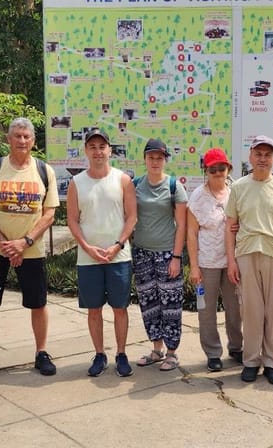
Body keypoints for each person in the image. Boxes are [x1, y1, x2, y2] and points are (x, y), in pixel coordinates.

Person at [0, 117, 60, 376]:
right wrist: (5, 243)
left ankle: (41, 352)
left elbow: (49, 213)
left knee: (38, 303)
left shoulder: (44, 170)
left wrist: (24, 242)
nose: (22, 141)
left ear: (33, 141)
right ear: (9, 139)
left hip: (32, 250)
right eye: (17, 136)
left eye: (26, 136)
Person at [226, 135, 273, 386]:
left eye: (268, 154)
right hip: (246, 253)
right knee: (251, 311)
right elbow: (230, 226)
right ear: (250, 156)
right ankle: (251, 361)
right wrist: (231, 261)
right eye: (258, 153)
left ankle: (271, 362)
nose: (263, 159)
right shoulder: (238, 187)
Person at [67, 128, 137, 378]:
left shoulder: (123, 180)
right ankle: (99, 354)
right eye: (93, 147)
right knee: (94, 309)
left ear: (109, 150)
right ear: (86, 150)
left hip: (118, 256)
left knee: (120, 308)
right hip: (88, 258)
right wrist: (87, 247)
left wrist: (117, 245)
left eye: (102, 146)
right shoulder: (77, 183)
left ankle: (121, 353)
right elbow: (73, 220)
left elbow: (132, 217)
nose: (98, 151)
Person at [132, 138, 189, 372]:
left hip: (167, 254)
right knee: (149, 304)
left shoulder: (174, 186)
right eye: (151, 157)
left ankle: (172, 353)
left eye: (159, 157)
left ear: (165, 160)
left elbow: (182, 225)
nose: (155, 161)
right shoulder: (135, 184)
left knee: (171, 305)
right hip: (142, 254)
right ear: (145, 159)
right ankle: (157, 349)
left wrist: (176, 257)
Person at [188, 148, 243, 372]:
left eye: (222, 168)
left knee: (235, 307)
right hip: (207, 262)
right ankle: (212, 352)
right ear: (206, 171)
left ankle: (237, 347)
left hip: (233, 261)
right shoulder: (197, 197)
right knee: (206, 310)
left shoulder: (236, 192)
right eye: (213, 169)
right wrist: (193, 266)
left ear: (228, 169)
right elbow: (191, 233)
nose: (218, 172)